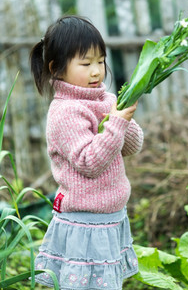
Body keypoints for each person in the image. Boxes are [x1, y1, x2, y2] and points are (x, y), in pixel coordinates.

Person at [30, 15, 144, 290]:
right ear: (56, 68)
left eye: (100, 61)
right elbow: (90, 162)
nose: (96, 71)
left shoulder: (104, 99)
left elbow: (132, 146)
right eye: (85, 63)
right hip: (84, 223)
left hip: (110, 216)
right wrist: (116, 122)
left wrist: (121, 117)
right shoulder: (66, 112)